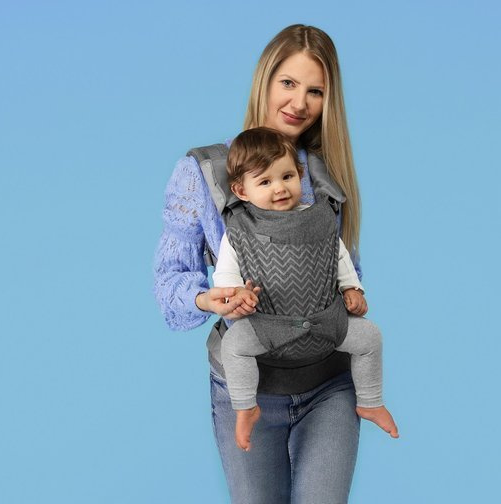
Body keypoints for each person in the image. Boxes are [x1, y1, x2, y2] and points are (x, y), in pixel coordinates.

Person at [154, 24, 386, 503]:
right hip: (248, 386)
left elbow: (344, 265)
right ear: (265, 80)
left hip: (329, 383)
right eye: (288, 83)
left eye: (315, 91)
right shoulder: (204, 173)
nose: (299, 103)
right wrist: (209, 299)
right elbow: (170, 282)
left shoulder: (322, 173)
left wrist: (351, 294)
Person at [214, 127, 398, 452]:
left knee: (370, 337)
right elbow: (225, 275)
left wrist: (352, 288)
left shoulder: (319, 218)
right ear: (241, 190)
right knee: (234, 345)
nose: (280, 188)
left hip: (327, 323)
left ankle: (370, 401)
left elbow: (337, 255)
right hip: (268, 328)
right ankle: (246, 407)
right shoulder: (239, 231)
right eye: (265, 182)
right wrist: (236, 295)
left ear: (300, 174)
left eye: (287, 176)